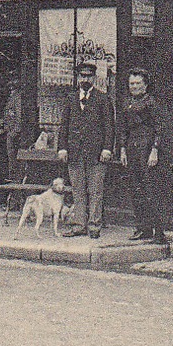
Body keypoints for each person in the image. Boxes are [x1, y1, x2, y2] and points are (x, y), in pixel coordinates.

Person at [119, 67, 173, 245]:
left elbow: (159, 128)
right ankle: (143, 228)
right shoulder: (126, 103)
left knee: (152, 190)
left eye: (138, 83)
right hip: (132, 149)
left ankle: (159, 231)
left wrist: (155, 150)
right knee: (136, 189)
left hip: (148, 150)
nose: (135, 86)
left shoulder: (151, 103)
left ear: (145, 85)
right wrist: (122, 149)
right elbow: (123, 128)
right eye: (132, 83)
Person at [58, 61, 115, 239]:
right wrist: (62, 148)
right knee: (78, 190)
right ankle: (79, 225)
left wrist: (107, 148)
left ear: (94, 78)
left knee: (96, 190)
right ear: (77, 78)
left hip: (96, 154)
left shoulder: (103, 98)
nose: (85, 79)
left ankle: (94, 226)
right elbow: (64, 126)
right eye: (82, 76)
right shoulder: (70, 98)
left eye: (89, 76)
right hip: (74, 153)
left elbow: (109, 127)